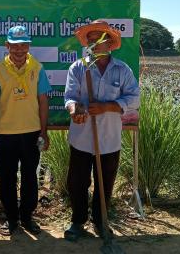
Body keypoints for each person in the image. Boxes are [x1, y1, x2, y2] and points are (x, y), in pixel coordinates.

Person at [63, 19, 140, 241]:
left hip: (109, 139)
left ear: (110, 43)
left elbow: (134, 99)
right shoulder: (78, 67)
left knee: (105, 184)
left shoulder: (122, 70)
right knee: (77, 182)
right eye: (92, 39)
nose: (95, 43)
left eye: (100, 39)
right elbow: (69, 97)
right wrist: (74, 108)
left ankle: (101, 221)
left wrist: (108, 106)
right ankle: (77, 221)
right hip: (81, 138)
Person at [0, 25, 51, 236]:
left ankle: (27, 217)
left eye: (23, 45)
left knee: (30, 177)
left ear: (29, 46)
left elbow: (43, 102)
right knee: (7, 178)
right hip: (5, 134)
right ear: (7, 45)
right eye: (15, 45)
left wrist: (44, 132)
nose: (19, 50)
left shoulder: (38, 68)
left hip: (31, 132)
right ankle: (11, 218)